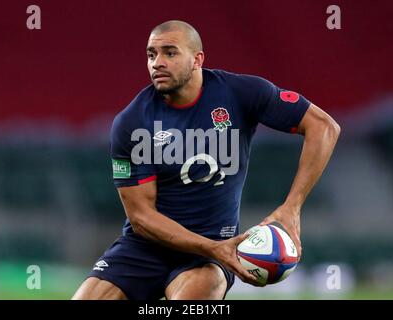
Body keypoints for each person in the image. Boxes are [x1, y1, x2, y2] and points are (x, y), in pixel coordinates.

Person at [72, 20, 340, 300]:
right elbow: (141, 217)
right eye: (152, 55)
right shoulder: (132, 122)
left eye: (170, 53)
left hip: (209, 256)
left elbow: (324, 127)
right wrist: (213, 248)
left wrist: (292, 206)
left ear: (198, 59)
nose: (157, 63)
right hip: (145, 248)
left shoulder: (240, 93)